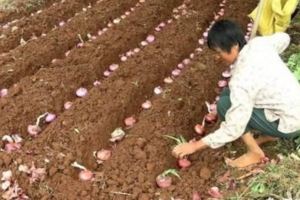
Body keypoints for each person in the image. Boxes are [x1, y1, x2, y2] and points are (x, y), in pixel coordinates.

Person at [172, 19, 300, 168]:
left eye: (219, 52)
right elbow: (285, 38)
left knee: (225, 105)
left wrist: (195, 146)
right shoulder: (259, 44)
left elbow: (234, 128)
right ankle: (270, 134)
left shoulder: (241, 79)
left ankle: (254, 152)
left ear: (234, 47)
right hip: (293, 108)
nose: (217, 57)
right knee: (228, 94)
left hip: (292, 124)